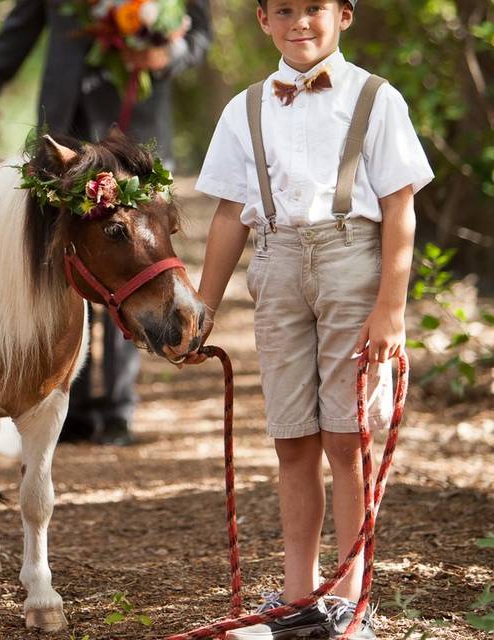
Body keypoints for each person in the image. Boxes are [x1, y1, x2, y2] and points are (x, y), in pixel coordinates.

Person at [187, 0, 433, 637]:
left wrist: (391, 309)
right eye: (286, 10)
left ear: (344, 16)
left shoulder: (376, 99)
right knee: (292, 436)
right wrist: (203, 309)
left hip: (352, 262)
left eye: (315, 9)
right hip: (277, 265)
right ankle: (302, 596)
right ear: (263, 18)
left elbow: (400, 207)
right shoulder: (245, 108)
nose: (302, 22)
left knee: (346, 439)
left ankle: (348, 596)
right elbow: (226, 214)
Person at [0, 0, 212, 445]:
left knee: (131, 255)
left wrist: (164, 55)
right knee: (60, 263)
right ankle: (66, 400)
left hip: (133, 131)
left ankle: (117, 408)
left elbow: (200, 36)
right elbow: (22, 25)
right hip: (63, 131)